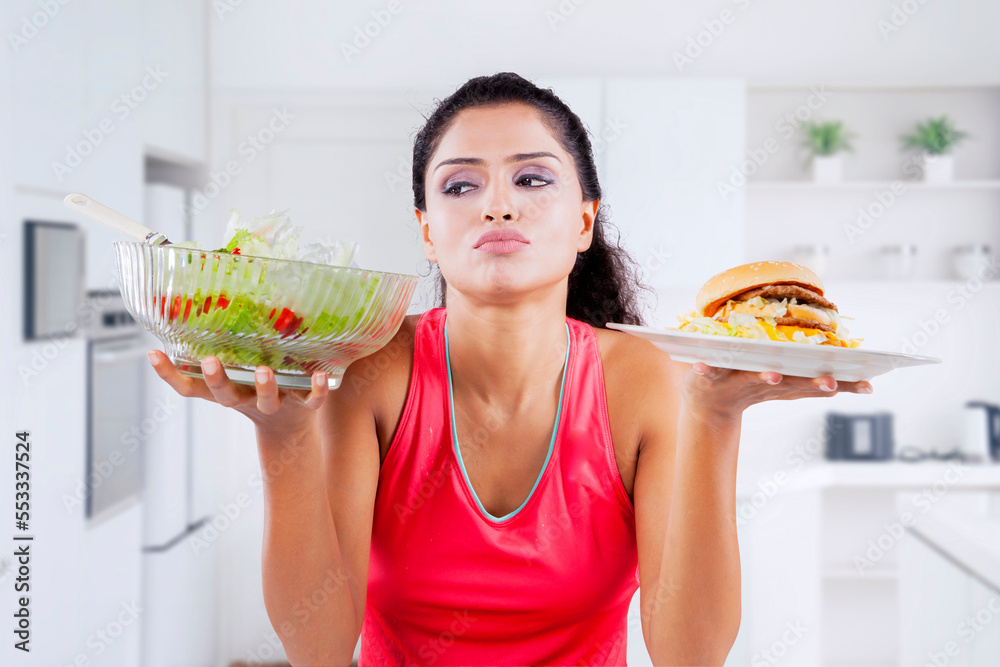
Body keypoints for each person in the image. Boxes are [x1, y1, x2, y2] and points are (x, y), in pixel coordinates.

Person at [147, 72, 873, 666]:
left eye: (532, 179)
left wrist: (714, 416)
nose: (497, 204)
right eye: (460, 186)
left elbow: (690, 655)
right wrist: (282, 437)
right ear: (429, 230)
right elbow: (320, 648)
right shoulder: (370, 367)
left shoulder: (646, 379)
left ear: (584, 219)